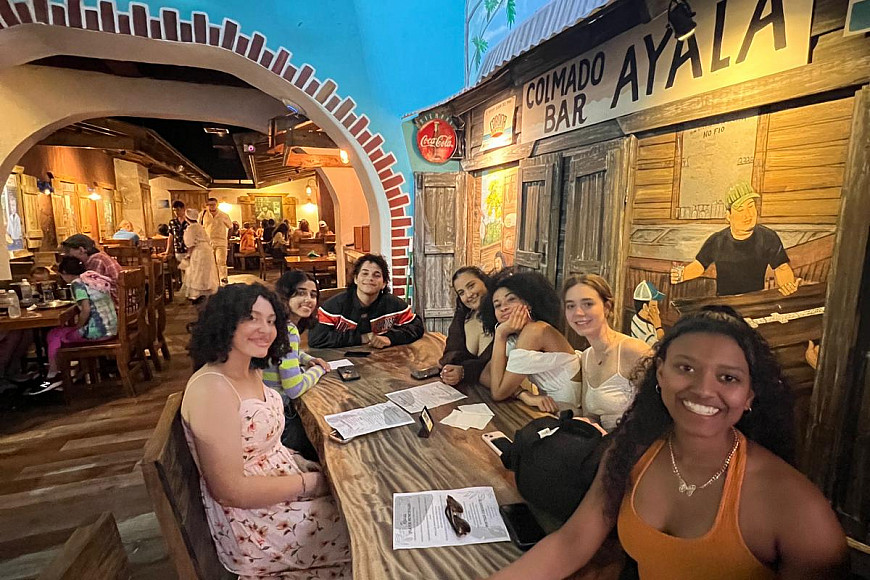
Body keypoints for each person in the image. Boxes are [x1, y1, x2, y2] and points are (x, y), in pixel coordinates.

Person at [488, 306, 848, 580]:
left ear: (750, 394)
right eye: (685, 368)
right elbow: (571, 544)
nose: (704, 389)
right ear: (660, 373)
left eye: (728, 377)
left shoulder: (799, 512)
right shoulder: (631, 452)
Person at [182, 284, 351, 577]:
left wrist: (303, 465)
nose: (266, 329)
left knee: (366, 500)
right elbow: (230, 491)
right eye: (252, 318)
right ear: (225, 321)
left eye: (271, 321)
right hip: (255, 522)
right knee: (368, 527)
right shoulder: (212, 389)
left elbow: (266, 445)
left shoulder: (251, 369)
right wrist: (310, 483)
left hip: (281, 491)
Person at [671, 182, 799, 296]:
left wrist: (788, 286)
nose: (748, 214)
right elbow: (699, 266)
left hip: (755, 301)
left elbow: (782, 268)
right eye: (740, 209)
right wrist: (681, 275)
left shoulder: (768, 237)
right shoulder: (717, 240)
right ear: (729, 215)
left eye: (750, 206)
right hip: (725, 304)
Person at [480, 270, 582, 413]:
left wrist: (500, 334)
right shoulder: (516, 335)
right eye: (497, 305)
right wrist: (524, 394)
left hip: (570, 416)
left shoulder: (536, 331)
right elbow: (485, 375)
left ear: (528, 303)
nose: (503, 308)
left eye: (511, 299)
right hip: (548, 411)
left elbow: (498, 393)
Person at [564, 274, 650, 431]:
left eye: (587, 304)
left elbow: (657, 413)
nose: (578, 313)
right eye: (570, 306)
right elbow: (591, 415)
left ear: (606, 306)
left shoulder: (634, 351)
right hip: (603, 446)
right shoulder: (586, 356)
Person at [32, 256, 117, 395]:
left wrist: (78, 326)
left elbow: (86, 309)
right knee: (58, 334)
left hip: (98, 332)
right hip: (112, 328)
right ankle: (60, 374)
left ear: (65, 272)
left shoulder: (77, 284)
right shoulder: (93, 277)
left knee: (54, 334)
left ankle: (53, 376)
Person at [309, 253, 424, 348]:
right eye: (364, 273)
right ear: (355, 279)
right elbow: (316, 338)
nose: (370, 278)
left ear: (384, 283)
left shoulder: (394, 304)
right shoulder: (333, 306)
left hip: (383, 362)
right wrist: (362, 337)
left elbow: (417, 327)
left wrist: (389, 338)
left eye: (376, 275)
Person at [439, 266, 494, 388]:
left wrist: (465, 371)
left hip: (504, 395)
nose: (468, 295)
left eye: (471, 286)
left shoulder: (502, 316)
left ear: (485, 281)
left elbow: (499, 366)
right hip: (470, 392)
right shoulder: (463, 317)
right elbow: (450, 353)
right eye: (461, 293)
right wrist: (450, 371)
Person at [61, 234, 121, 298]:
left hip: (114, 302)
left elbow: (93, 292)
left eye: (68, 251)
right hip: (118, 299)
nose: (67, 255)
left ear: (81, 250)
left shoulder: (96, 260)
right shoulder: (99, 256)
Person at [181, 209, 219, 302]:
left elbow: (190, 244)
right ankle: (208, 291)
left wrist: (188, 255)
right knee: (206, 271)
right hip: (207, 250)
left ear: (187, 218)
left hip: (198, 251)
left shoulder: (190, 228)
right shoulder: (200, 226)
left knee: (197, 271)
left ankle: (197, 294)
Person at [199, 197, 233, 284]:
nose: (212, 207)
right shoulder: (202, 215)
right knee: (210, 263)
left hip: (221, 241)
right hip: (208, 242)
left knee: (221, 261)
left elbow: (231, 227)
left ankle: (223, 280)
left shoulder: (223, 215)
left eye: (213, 205)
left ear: (217, 205)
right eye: (210, 205)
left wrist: (227, 239)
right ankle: (213, 282)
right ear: (207, 205)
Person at [630, 280, 665, 347]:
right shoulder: (647, 335)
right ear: (645, 307)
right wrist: (658, 327)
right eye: (654, 307)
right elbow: (663, 349)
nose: (658, 311)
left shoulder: (636, 318)